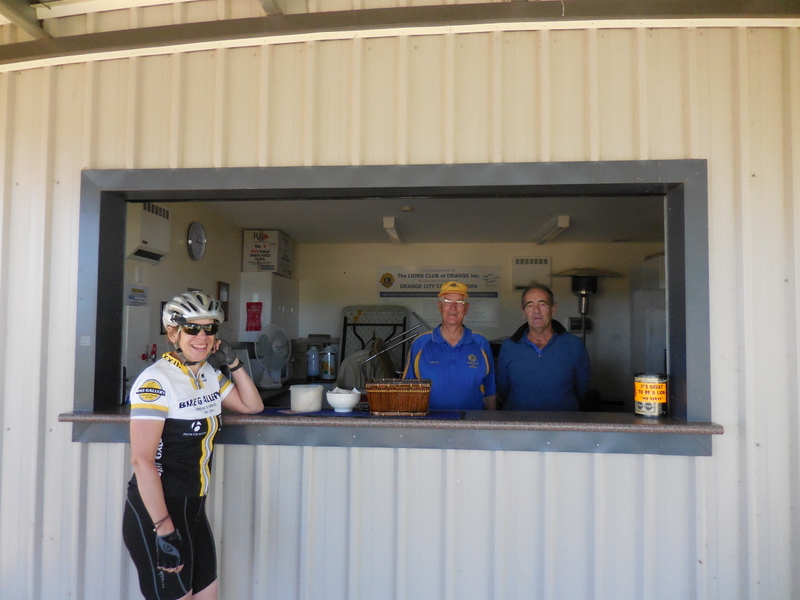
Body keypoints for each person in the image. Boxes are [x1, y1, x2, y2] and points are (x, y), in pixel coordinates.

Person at [122, 291, 263, 600]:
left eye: (210, 329)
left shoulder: (208, 374)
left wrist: (234, 362)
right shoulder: (156, 381)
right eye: (192, 328)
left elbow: (252, 406)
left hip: (194, 512)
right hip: (158, 514)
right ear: (174, 333)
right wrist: (164, 530)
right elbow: (142, 461)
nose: (202, 336)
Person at [402, 281, 496, 410]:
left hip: (473, 421)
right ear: (439, 306)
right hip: (430, 421)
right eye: (447, 301)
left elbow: (490, 391)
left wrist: (491, 421)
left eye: (459, 302)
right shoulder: (420, 344)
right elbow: (407, 390)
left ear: (466, 308)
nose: (453, 307)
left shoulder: (481, 343)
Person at [496, 282, 590, 411]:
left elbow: (582, 390)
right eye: (530, 305)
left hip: (563, 421)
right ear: (523, 312)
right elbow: (503, 390)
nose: (536, 311)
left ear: (553, 309)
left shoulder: (574, 345)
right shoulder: (509, 347)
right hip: (519, 421)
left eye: (542, 304)